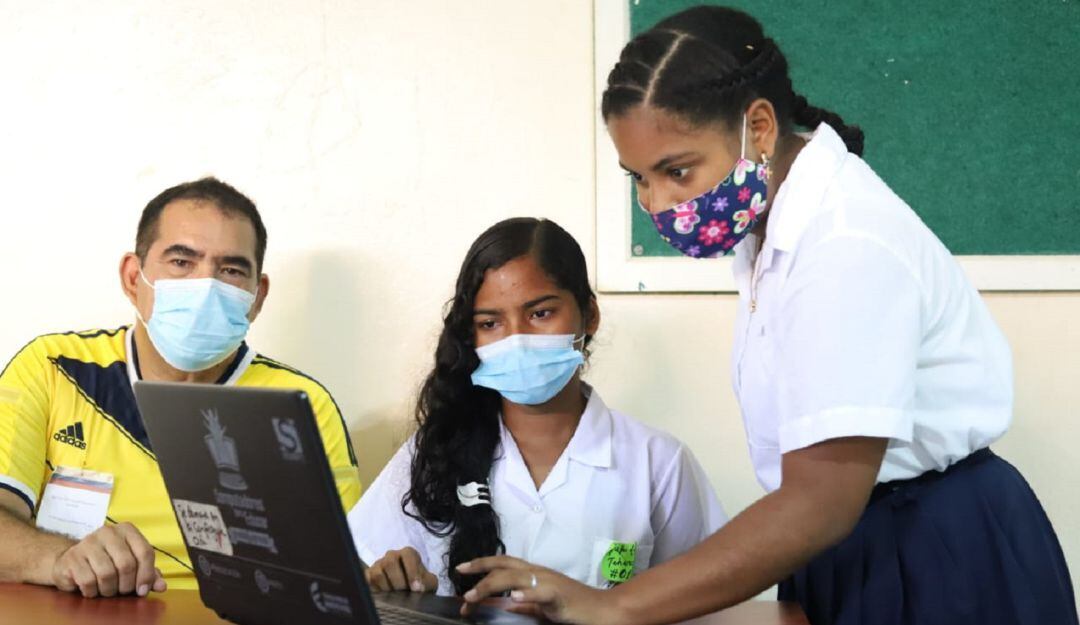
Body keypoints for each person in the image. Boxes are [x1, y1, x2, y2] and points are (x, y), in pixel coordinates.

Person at [457, 7, 1077, 625]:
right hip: (855, 541)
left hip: (933, 555)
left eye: (676, 171)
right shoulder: (772, 232)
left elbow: (819, 502)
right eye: (638, 179)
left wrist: (614, 604)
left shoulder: (844, 241)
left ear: (758, 127)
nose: (656, 203)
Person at [0, 177, 361, 598]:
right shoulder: (53, 367)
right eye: (181, 262)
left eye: (230, 270)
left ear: (257, 296)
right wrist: (61, 559)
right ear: (134, 277)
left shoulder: (301, 405)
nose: (206, 287)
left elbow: (343, 570)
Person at [348, 217, 726, 597]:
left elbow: (706, 600)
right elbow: (366, 570)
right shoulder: (434, 449)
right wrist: (401, 587)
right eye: (490, 323)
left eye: (541, 314)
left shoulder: (657, 462)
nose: (517, 340)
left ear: (589, 316)